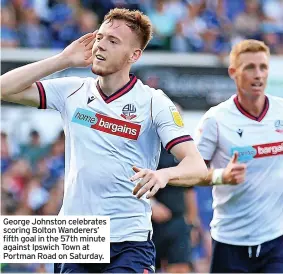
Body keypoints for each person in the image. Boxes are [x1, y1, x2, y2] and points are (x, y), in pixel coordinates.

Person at [1, 8, 246, 273]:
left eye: (113, 41)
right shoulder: (72, 90)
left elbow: (196, 166)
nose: (101, 46)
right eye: (100, 37)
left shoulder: (153, 102)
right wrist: (62, 60)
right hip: (76, 236)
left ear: (134, 55)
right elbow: (4, 88)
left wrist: (163, 175)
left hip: (129, 239)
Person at [195, 39, 283, 273]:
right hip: (230, 241)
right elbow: (191, 174)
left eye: (263, 67)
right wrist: (221, 176)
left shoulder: (281, 110)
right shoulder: (216, 119)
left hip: (276, 240)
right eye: (250, 67)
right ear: (233, 72)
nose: (258, 74)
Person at [151, 103, 196, 273]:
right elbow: (129, 178)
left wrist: (192, 224)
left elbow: (190, 190)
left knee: (180, 269)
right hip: (149, 223)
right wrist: (152, 204)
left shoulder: (184, 150)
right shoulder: (147, 147)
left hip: (177, 222)